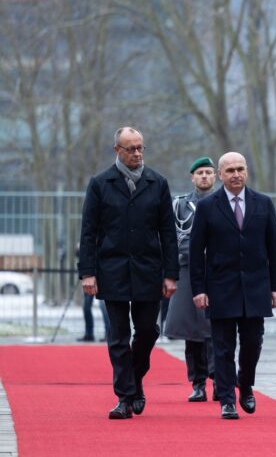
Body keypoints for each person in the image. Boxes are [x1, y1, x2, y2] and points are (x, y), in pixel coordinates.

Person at [77, 126, 179, 420]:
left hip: (149, 270)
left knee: (147, 331)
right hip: (113, 270)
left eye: (140, 148)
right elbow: (88, 232)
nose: (137, 153)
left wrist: (170, 274)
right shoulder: (100, 184)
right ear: (117, 150)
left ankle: (134, 379)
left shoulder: (157, 183)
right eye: (131, 148)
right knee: (118, 336)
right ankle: (124, 397)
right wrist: (87, 273)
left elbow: (168, 233)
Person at [190, 152, 276, 419]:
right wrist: (198, 289)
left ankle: (245, 384)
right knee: (222, 347)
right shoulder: (208, 207)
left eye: (240, 169)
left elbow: (274, 248)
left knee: (253, 343)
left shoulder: (263, 203)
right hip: (220, 287)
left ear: (246, 172)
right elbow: (196, 251)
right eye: (230, 170)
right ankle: (227, 400)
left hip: (256, 288)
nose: (236, 174)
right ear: (220, 174)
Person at [164, 157, 218, 402]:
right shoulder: (180, 205)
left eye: (208, 172)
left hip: (217, 270)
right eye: (200, 173)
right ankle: (197, 383)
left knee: (217, 327)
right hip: (187, 269)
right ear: (192, 177)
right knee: (191, 329)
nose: (204, 176)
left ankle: (219, 379)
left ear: (215, 176)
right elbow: (175, 237)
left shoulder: (223, 202)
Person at [76, 242, 111, 342]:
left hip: (103, 274)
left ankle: (108, 333)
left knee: (104, 306)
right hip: (90, 275)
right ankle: (89, 334)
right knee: (86, 306)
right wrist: (79, 248)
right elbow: (79, 254)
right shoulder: (88, 239)